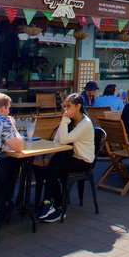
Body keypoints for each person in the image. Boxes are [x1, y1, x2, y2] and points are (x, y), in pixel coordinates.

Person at [36, 92, 94, 223]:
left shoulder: (85, 123)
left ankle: (51, 204)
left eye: (68, 106)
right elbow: (58, 140)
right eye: (64, 106)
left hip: (83, 160)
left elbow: (63, 139)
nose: (65, 109)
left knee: (54, 167)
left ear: (78, 106)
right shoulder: (71, 121)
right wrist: (66, 121)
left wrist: (64, 119)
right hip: (70, 156)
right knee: (53, 167)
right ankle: (56, 205)